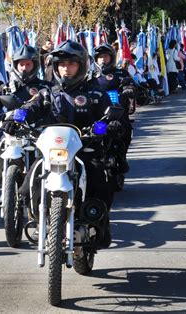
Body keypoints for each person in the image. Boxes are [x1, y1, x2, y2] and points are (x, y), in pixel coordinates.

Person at [19, 40, 121, 249]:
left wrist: (110, 124)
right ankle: (36, 215)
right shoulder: (49, 92)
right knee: (28, 183)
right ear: (55, 67)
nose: (66, 68)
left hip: (84, 149)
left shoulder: (95, 92)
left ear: (81, 65)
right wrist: (16, 116)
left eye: (71, 64)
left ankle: (100, 223)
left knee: (101, 181)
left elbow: (110, 114)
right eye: (62, 64)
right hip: (53, 152)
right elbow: (31, 106)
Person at [0, 44, 52, 180]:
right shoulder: (7, 87)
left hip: (37, 134)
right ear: (15, 65)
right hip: (11, 131)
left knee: (42, 164)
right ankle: (6, 188)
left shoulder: (45, 87)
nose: (24, 68)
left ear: (35, 65)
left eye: (28, 64)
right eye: (21, 64)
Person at [93, 43, 134, 172]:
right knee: (93, 136)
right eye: (100, 57)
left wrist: (129, 89)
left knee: (125, 130)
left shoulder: (120, 73)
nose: (103, 59)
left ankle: (121, 156)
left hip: (117, 111)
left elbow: (131, 84)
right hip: (97, 113)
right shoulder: (90, 75)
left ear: (111, 57)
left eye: (105, 56)